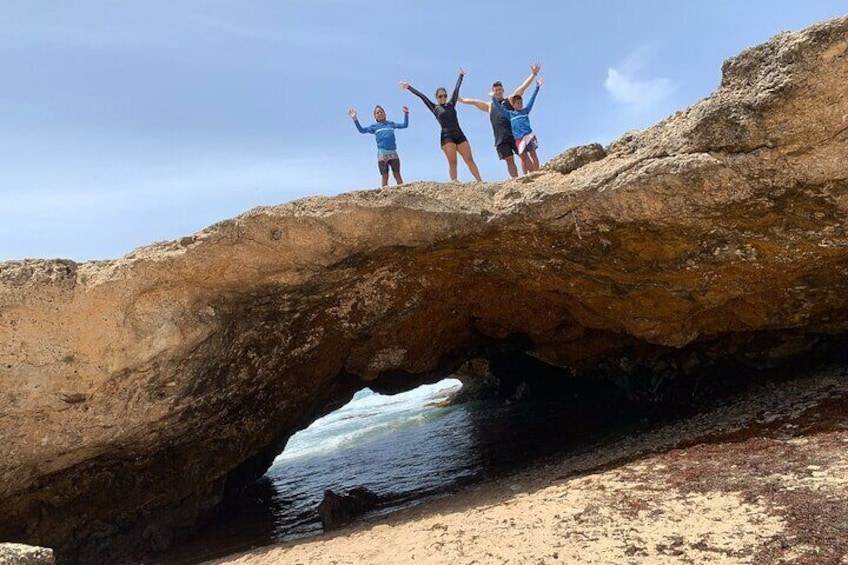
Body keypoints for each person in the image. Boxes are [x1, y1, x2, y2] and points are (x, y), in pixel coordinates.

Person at [459, 63, 542, 177]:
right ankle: (515, 181)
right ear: (492, 91)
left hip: (515, 135)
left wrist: (533, 74)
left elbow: (522, 88)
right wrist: (460, 99)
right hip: (500, 138)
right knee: (509, 160)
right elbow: (473, 101)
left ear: (503, 90)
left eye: (499, 89)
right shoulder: (489, 105)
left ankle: (534, 176)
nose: (498, 92)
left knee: (523, 156)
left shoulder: (509, 100)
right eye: (495, 90)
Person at [400, 69, 482, 182]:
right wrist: (409, 87)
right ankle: (455, 184)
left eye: (444, 95)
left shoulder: (451, 103)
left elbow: (456, 89)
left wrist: (461, 76)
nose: (443, 98)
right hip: (447, 136)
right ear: (436, 98)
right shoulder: (434, 108)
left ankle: (480, 181)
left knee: (469, 159)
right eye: (440, 96)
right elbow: (421, 96)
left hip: (459, 134)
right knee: (453, 162)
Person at [490, 78, 543, 173]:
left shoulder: (525, 111)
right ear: (513, 105)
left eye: (521, 103)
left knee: (533, 154)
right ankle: (526, 175)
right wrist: (493, 98)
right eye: (517, 103)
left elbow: (532, 100)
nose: (519, 105)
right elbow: (499, 108)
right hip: (518, 139)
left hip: (528, 136)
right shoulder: (510, 114)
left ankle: (537, 172)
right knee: (523, 157)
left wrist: (537, 87)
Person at [349, 105, 409, 187]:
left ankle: (403, 193)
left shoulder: (391, 124)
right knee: (385, 176)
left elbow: (404, 125)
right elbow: (362, 130)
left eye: (381, 112)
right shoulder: (374, 127)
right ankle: (385, 195)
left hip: (393, 153)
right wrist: (355, 119)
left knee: (397, 175)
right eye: (377, 113)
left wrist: (406, 114)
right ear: (375, 116)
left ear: (385, 114)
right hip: (382, 154)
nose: (380, 113)